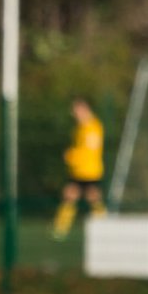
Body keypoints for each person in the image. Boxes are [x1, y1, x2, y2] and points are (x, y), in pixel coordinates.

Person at [51, 97, 106, 240]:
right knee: (70, 195)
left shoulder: (93, 127)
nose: (75, 114)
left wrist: (71, 156)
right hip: (78, 170)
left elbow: (90, 150)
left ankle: (103, 225)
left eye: (77, 111)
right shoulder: (80, 128)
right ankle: (60, 228)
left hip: (90, 170)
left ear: (85, 109)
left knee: (93, 197)